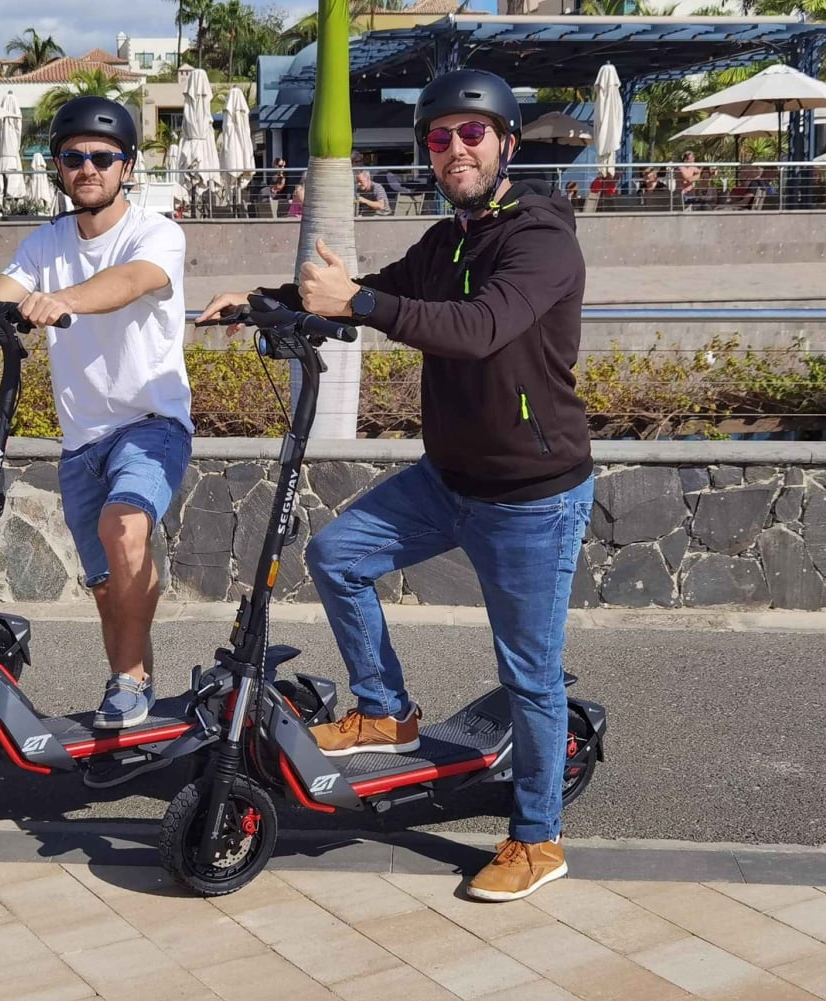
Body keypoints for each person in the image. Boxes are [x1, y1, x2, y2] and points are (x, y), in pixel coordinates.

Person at [199, 67, 593, 904]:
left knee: (530, 674)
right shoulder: (446, 240)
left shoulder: (541, 238)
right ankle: (385, 707)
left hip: (531, 495)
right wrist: (263, 302)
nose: (455, 147)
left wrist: (365, 301)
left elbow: (482, 328)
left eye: (472, 134)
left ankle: (538, 836)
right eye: (441, 136)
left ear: (507, 143)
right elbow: (373, 297)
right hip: (448, 480)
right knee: (338, 552)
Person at [0, 96, 192, 731]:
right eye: (72, 157)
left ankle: (132, 679)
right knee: (108, 586)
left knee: (125, 528)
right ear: (58, 167)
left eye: (102, 158)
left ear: (127, 167)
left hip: (152, 423)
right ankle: (130, 687)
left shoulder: (155, 231)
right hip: (82, 440)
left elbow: (131, 282)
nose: (87, 167)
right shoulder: (45, 241)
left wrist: (60, 300)